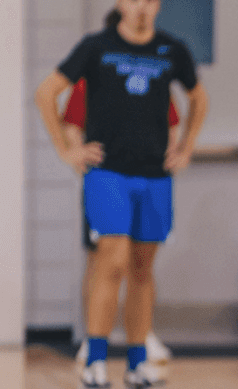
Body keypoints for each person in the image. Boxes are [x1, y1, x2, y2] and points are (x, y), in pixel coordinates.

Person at [34, 0, 209, 389]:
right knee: (111, 262)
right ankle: (95, 360)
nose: (141, 6)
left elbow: (198, 97)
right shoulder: (97, 47)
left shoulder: (171, 50)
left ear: (158, 4)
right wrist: (67, 150)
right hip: (108, 173)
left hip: (154, 174)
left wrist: (186, 147)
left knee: (142, 269)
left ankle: (136, 363)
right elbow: (46, 92)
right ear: (120, 2)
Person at [64, 23, 180, 367]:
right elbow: (71, 123)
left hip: (147, 175)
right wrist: (79, 157)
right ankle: (93, 339)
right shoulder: (93, 73)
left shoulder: (154, 75)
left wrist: (173, 153)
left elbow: (172, 121)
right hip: (107, 177)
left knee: (141, 262)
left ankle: (141, 335)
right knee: (102, 259)